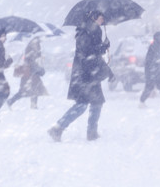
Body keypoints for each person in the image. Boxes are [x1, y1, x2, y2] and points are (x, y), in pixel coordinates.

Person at [48, 10, 113, 142]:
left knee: (96, 103)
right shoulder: (87, 31)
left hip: (89, 75)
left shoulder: (91, 30)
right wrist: (102, 47)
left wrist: (102, 48)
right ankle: (58, 128)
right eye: (101, 19)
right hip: (85, 75)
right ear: (94, 18)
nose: (102, 21)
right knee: (82, 105)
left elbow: (93, 53)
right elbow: (88, 53)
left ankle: (91, 132)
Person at [7, 36, 48, 109]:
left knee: (34, 89)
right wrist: (39, 69)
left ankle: (33, 105)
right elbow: (32, 61)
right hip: (30, 73)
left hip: (30, 73)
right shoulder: (33, 47)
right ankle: (11, 101)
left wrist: (39, 57)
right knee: (26, 90)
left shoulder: (32, 47)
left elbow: (32, 59)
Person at [139, 31, 160, 108]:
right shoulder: (155, 46)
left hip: (155, 71)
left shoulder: (156, 45)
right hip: (153, 71)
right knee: (150, 87)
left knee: (159, 86)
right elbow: (157, 58)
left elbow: (159, 57)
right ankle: (141, 103)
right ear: (159, 38)